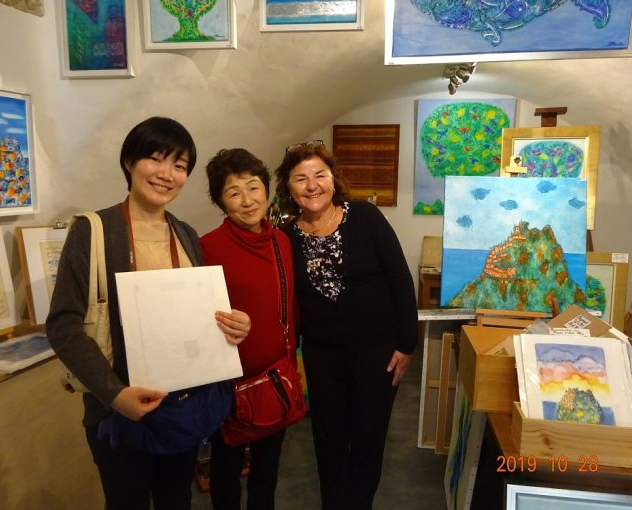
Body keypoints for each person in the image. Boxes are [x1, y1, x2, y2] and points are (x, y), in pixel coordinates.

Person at [46, 117, 251, 510]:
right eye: (156, 159)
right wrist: (115, 394)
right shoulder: (94, 230)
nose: (167, 174)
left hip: (181, 409)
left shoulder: (185, 234)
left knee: (176, 500)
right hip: (120, 411)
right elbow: (63, 326)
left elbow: (195, 315)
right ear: (129, 162)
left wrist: (232, 325)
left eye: (179, 165)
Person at [274, 140, 418, 510]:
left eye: (319, 175)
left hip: (377, 353)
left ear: (333, 179)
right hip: (322, 356)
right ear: (288, 187)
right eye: (300, 178)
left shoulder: (366, 217)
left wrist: (407, 345)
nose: (312, 185)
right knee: (328, 440)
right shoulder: (285, 236)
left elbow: (401, 280)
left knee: (368, 438)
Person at [200, 148, 297, 510]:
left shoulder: (281, 242)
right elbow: (195, 316)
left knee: (267, 470)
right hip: (228, 385)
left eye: (254, 187)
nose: (247, 200)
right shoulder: (207, 247)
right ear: (220, 202)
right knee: (225, 470)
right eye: (233, 192)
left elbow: (288, 307)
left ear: (266, 189)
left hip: (274, 377)